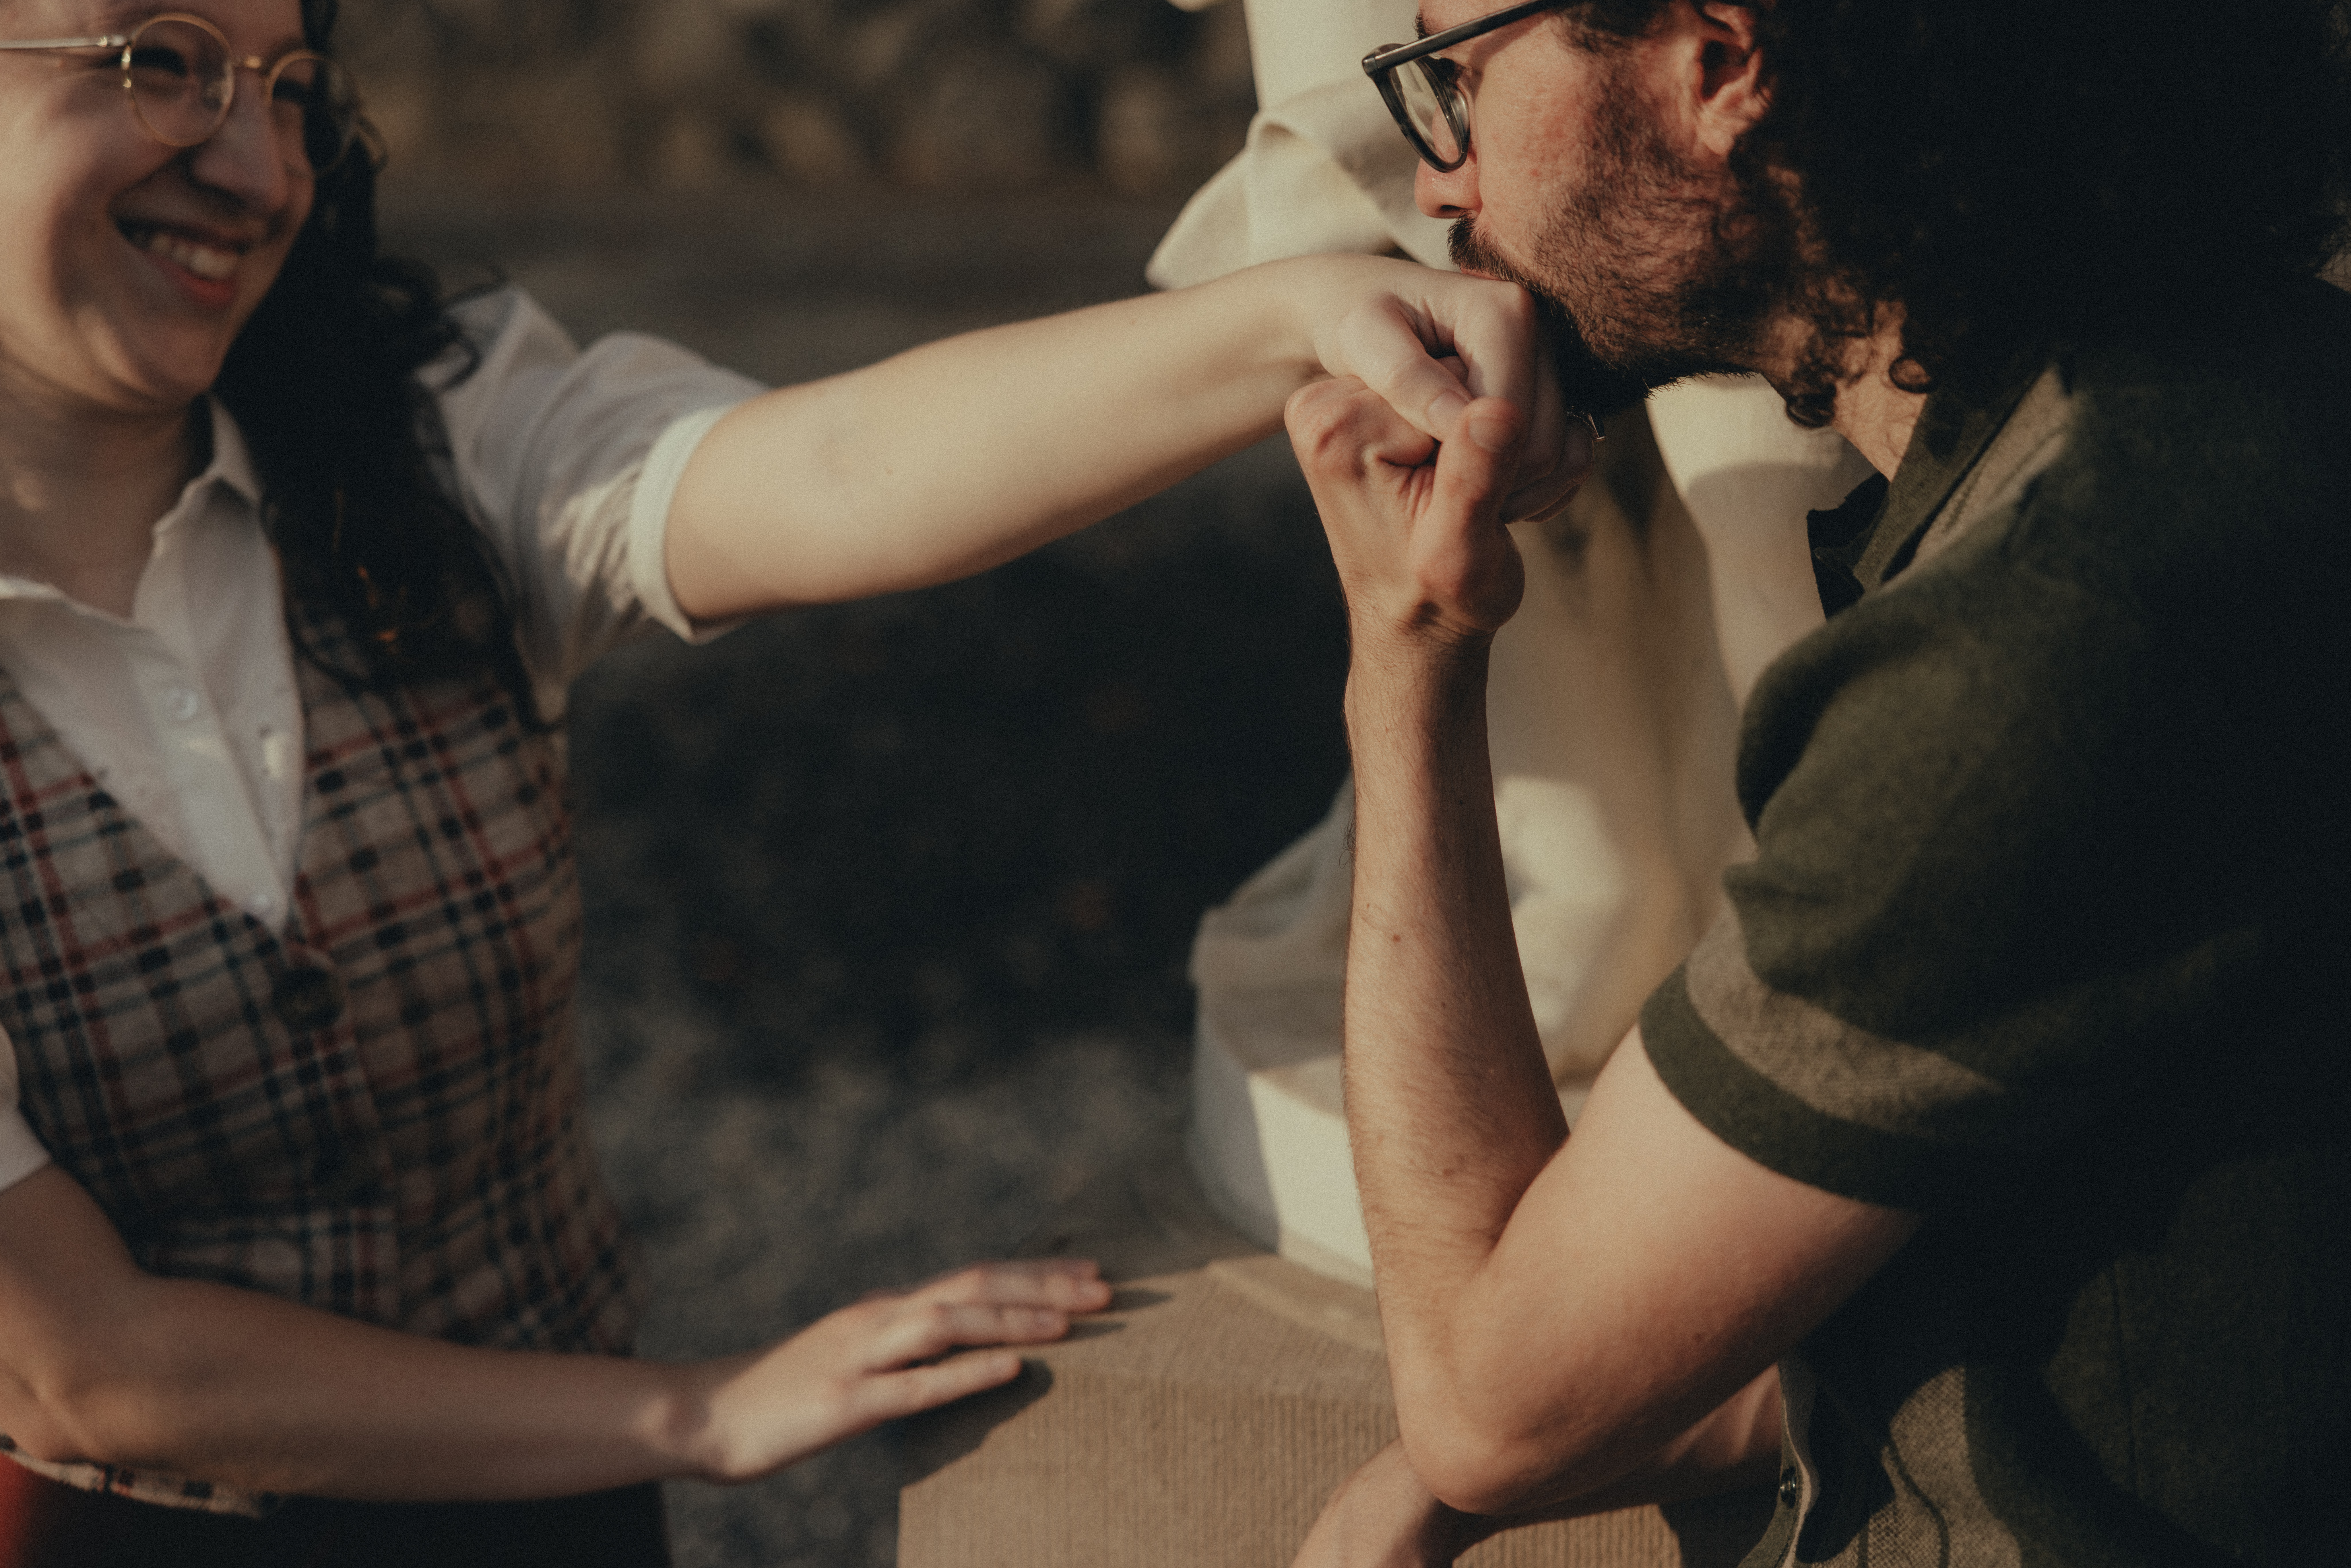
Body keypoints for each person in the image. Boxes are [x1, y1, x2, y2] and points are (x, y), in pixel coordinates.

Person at [0, 0, 1586, 1561]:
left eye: (285, 88)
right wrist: (701, 1413)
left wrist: (1301, 315)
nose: (264, 170)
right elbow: (91, 1364)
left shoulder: (429, 434)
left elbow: (828, 471)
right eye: (161, 64)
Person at [1283, 1, 2351, 1565]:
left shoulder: (2036, 651)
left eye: (1459, 78)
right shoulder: (2249, 405)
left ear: (1720, 60)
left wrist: (1411, 641)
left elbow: (1489, 1401)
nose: (1441, 187)